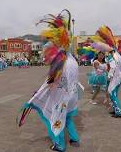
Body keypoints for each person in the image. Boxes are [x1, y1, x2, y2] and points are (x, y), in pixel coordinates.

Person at [18, 10, 80, 152]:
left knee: (53, 118)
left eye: (51, 42)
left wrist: (39, 93)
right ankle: (75, 139)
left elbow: (52, 83)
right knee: (69, 118)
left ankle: (59, 145)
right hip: (72, 96)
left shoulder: (61, 61)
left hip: (61, 98)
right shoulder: (73, 60)